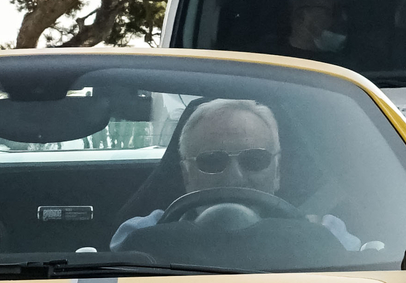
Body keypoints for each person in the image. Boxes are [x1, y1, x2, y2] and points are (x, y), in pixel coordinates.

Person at [110, 98, 374, 252]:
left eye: (255, 160)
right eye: (212, 161)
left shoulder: (327, 234)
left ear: (277, 170)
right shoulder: (140, 236)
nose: (234, 177)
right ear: (186, 173)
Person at [283, 0, 349, 59]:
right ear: (301, 15)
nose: (343, 17)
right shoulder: (270, 60)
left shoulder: (342, 65)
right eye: (329, 12)